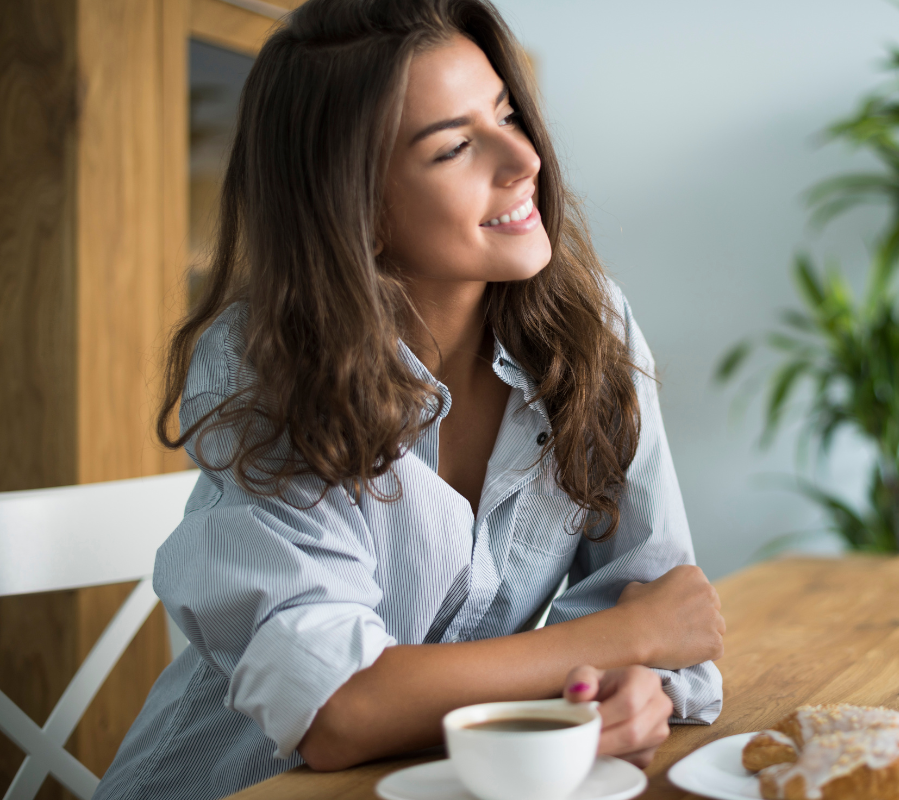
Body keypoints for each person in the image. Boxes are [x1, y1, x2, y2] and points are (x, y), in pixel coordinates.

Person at [94, 1, 724, 797]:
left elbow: (670, 617)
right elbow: (337, 710)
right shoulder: (264, 360)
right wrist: (621, 640)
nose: (523, 157)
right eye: (456, 146)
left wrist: (634, 684)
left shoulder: (590, 327)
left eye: (506, 113)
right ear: (355, 206)